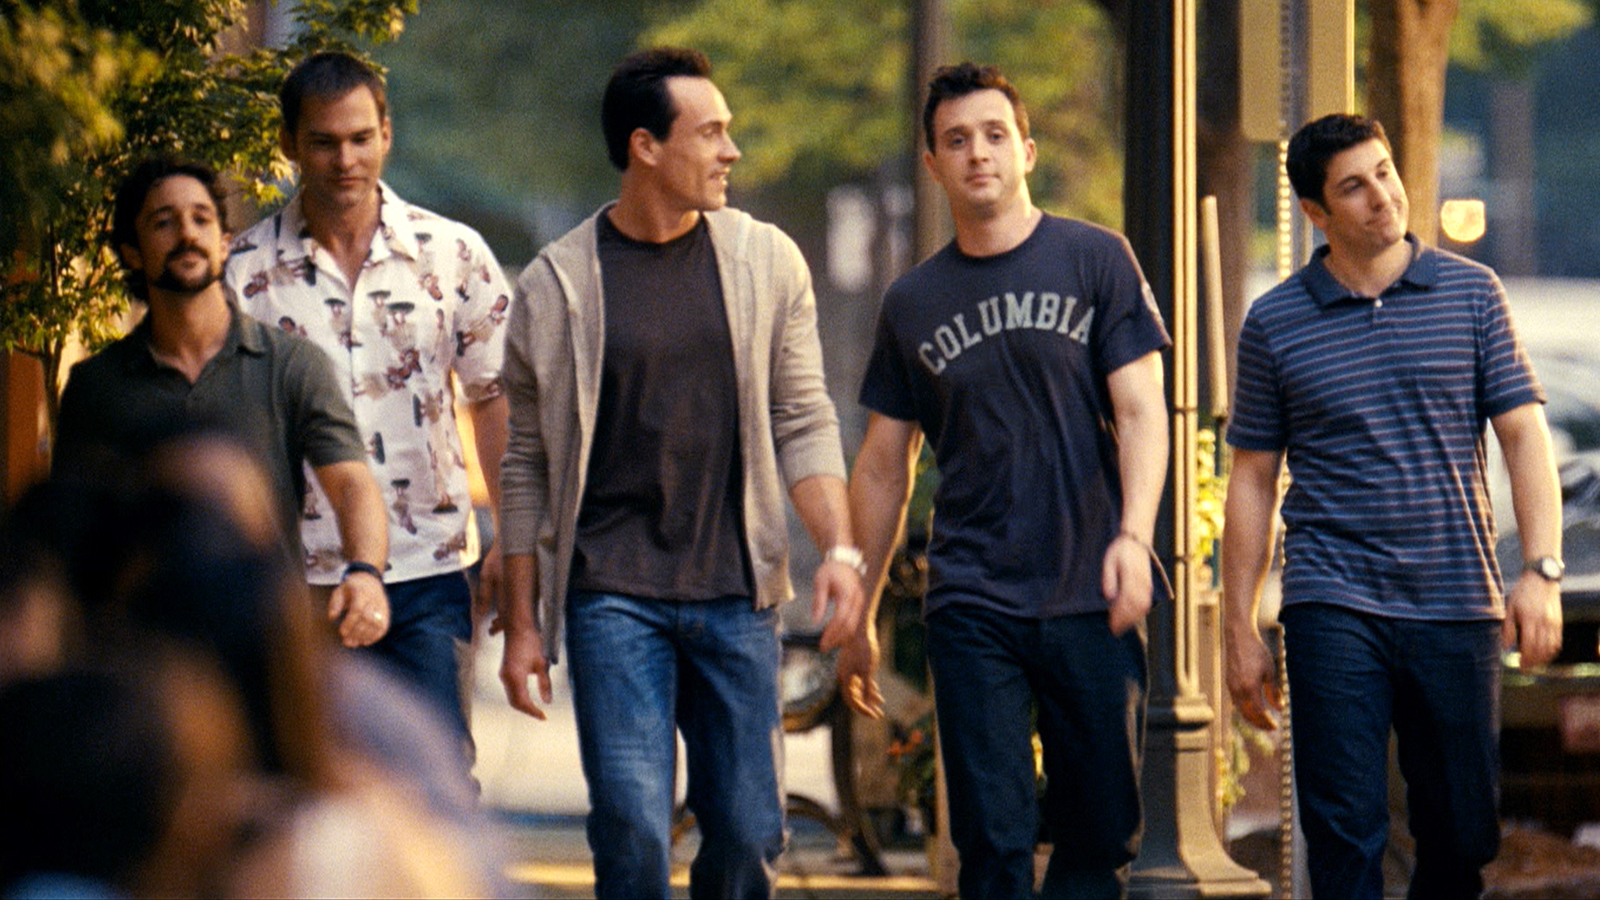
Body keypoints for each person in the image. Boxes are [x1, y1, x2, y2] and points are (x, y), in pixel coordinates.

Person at [496, 46, 866, 900]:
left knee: (749, 829)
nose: (731, 151)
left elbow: (804, 418)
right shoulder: (556, 287)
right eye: (710, 133)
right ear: (646, 147)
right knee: (631, 826)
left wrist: (840, 552)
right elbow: (525, 466)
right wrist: (521, 625)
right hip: (611, 595)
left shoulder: (767, 262)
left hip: (736, 592)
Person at [844, 62, 1170, 899]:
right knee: (991, 838)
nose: (978, 153)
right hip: (973, 596)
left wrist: (1135, 538)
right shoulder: (913, 301)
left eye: (994, 135)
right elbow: (883, 464)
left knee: (1101, 830)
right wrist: (862, 608)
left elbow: (1141, 409)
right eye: (956, 140)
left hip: (1091, 586)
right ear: (933, 164)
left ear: (1027, 149)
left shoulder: (1095, 258)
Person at [1222, 113, 1564, 900]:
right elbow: (1252, 479)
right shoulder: (1276, 321)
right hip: (1332, 598)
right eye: (1354, 186)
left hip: (1455, 598)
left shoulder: (1472, 293)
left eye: (1384, 172)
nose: (1382, 196)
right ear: (1316, 212)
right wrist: (1238, 625)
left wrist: (1541, 571)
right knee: (1343, 832)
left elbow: (1523, 434)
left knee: (1461, 834)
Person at [226, 50, 513, 750]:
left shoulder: (453, 254)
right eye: (324, 142)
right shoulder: (242, 274)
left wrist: (514, 534)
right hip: (299, 574)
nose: (345, 160)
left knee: (437, 769)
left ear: (387, 132)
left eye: (360, 138)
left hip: (429, 566)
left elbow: (496, 398)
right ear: (289, 144)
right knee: (304, 773)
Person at [53, 156, 391, 650]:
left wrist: (364, 572)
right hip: (141, 653)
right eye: (163, 222)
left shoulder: (292, 364)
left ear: (225, 242)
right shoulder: (96, 386)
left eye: (201, 218)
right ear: (132, 253)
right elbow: (69, 531)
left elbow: (353, 484)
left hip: (265, 643)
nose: (187, 234)